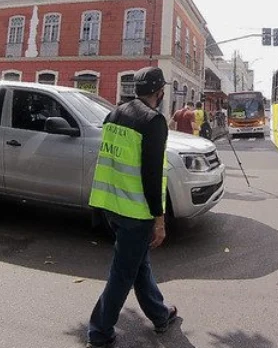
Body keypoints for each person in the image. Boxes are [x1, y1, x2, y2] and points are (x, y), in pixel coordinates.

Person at [86, 67, 179, 347]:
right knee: (123, 273)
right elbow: (151, 175)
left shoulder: (114, 115)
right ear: (160, 92)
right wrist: (159, 219)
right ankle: (99, 332)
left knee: (138, 265)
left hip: (111, 205)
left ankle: (160, 314)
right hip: (135, 212)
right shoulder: (153, 121)